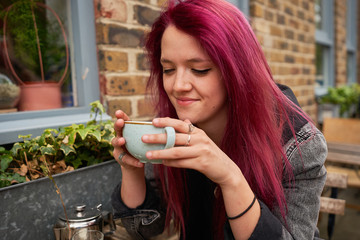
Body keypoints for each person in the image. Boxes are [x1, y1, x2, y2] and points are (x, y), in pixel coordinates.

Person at [111, 0, 327, 239]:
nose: (178, 86)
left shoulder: (299, 145)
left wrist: (229, 178)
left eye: (200, 69)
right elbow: (146, 229)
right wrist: (132, 171)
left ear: (238, 72)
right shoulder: (172, 129)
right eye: (169, 69)